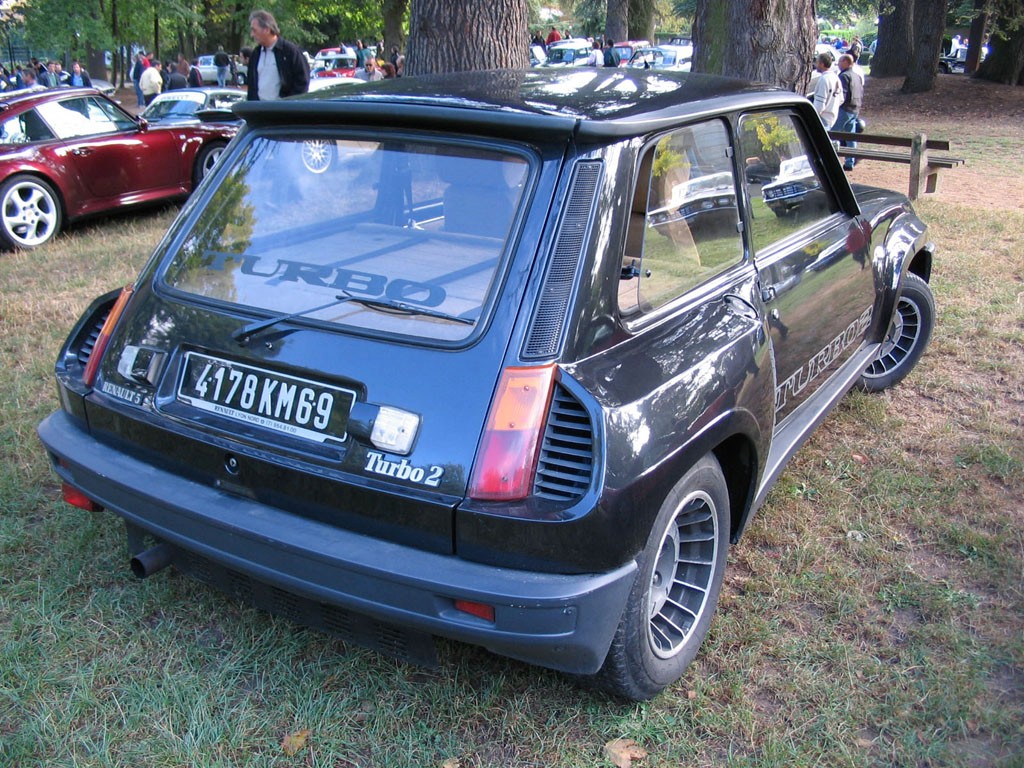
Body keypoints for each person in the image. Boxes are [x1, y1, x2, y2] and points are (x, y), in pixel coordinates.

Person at [246, 9, 310, 101]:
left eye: (254, 30)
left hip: (282, 111)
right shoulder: (256, 54)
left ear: (267, 29)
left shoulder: (290, 52)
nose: (252, 35)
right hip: (259, 111)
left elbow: (302, 82)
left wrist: (288, 105)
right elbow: (252, 86)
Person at [836, 53, 864, 171]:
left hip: (845, 108)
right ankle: (849, 162)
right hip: (855, 108)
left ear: (846, 62)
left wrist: (837, 106)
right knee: (850, 136)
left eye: (840, 61)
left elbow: (843, 94)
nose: (838, 64)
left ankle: (827, 160)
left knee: (832, 134)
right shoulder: (857, 75)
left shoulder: (844, 76)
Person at [811, 51, 842, 130]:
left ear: (822, 64)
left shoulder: (824, 80)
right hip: (831, 118)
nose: (815, 65)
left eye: (817, 62)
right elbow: (841, 99)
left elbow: (819, 105)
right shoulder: (836, 78)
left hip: (822, 119)